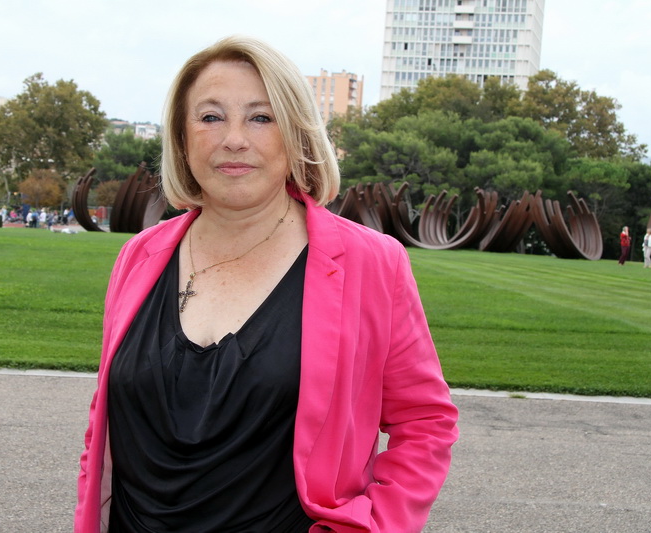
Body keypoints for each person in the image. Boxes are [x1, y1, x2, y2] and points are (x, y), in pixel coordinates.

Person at [75, 36, 458, 533]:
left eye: (260, 117)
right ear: (182, 137)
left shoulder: (371, 262)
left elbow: (424, 422)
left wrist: (378, 525)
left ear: (296, 134)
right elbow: (104, 426)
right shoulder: (138, 257)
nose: (234, 139)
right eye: (211, 117)